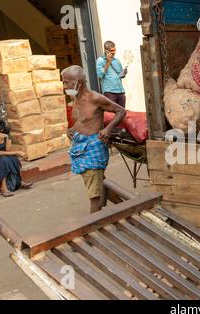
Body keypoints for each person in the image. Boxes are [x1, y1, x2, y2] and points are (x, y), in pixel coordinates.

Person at [62, 65, 126, 214]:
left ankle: (93, 224)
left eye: (67, 82)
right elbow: (81, 119)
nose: (64, 86)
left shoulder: (95, 98)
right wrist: (71, 130)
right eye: (63, 82)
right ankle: (126, 207)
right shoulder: (74, 96)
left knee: (94, 194)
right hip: (79, 147)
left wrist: (107, 129)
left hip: (94, 147)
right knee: (99, 183)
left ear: (79, 82)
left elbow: (120, 111)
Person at [0, 119, 33, 197]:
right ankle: (4, 188)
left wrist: (6, 139)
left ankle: (20, 182)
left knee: (13, 158)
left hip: (1, 157)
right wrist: (18, 152)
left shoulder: (4, 136)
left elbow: (7, 150)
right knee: (3, 159)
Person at [96, 41, 127, 108]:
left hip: (120, 91)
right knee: (112, 114)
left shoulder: (117, 60)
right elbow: (100, 75)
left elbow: (120, 75)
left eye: (114, 50)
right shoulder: (100, 60)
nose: (114, 52)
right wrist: (108, 62)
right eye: (111, 50)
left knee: (122, 112)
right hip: (109, 92)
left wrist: (123, 73)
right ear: (106, 51)